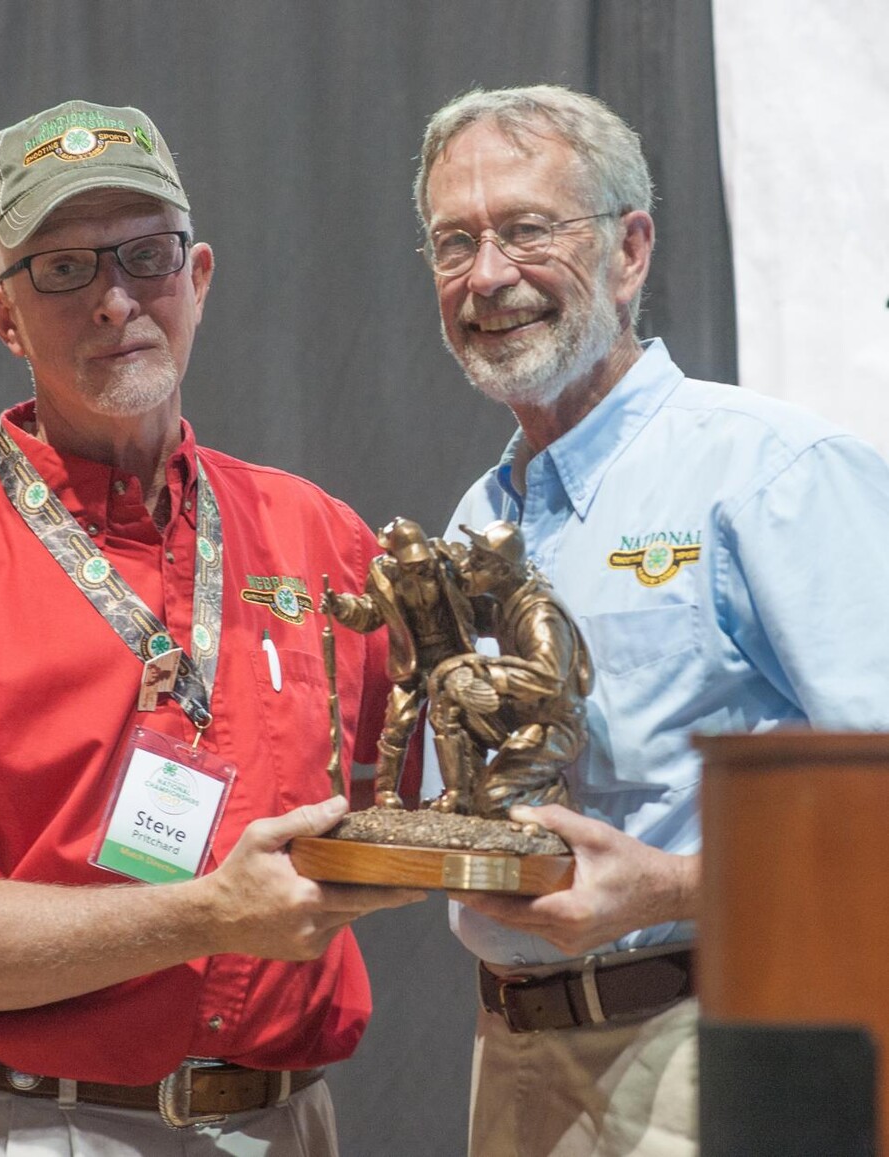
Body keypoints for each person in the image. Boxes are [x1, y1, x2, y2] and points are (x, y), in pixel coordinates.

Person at [0, 99, 423, 1157]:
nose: (116, 299)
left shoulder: (325, 538)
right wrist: (203, 915)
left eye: (146, 254)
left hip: (294, 1120)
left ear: (201, 276)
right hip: (49, 1125)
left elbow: (414, 805)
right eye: (64, 269)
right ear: (3, 316)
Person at [413, 84, 889, 1156]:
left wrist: (667, 888)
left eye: (528, 229)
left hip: (714, 1045)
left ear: (630, 251)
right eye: (455, 242)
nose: (488, 276)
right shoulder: (474, 520)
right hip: (515, 1060)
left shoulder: (771, 474)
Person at [425, 520, 592, 819]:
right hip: (523, 712)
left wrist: (485, 674)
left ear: (502, 571)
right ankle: (461, 798)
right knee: (452, 702)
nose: (466, 566)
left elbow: (548, 677)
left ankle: (557, 806)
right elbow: (471, 619)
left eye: (477, 562)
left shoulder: (539, 613)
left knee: (495, 800)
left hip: (555, 724)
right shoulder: (504, 600)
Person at [322, 516, 475, 810]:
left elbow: (478, 596)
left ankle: (457, 793)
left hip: (448, 657)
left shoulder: (446, 563)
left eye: (419, 561)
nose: (416, 567)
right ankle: (385, 793)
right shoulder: (383, 575)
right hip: (411, 662)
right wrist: (341, 606)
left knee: (449, 723)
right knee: (398, 724)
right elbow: (370, 614)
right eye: (408, 562)